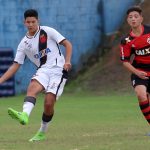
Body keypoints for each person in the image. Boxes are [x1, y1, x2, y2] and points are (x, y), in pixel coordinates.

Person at [0, 9, 72, 141]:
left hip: (58, 70)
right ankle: (24, 115)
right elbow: (15, 65)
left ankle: (42, 132)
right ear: (24, 22)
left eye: (33, 21)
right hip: (43, 70)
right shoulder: (24, 44)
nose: (31, 24)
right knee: (32, 87)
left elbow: (67, 44)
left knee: (48, 103)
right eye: (28, 22)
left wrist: (67, 61)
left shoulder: (48, 31)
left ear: (37, 21)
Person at [120, 6, 150, 128]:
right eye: (130, 17)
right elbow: (125, 61)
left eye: (136, 16)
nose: (133, 19)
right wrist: (137, 72)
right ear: (128, 20)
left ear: (141, 19)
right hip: (140, 72)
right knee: (141, 94)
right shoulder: (126, 40)